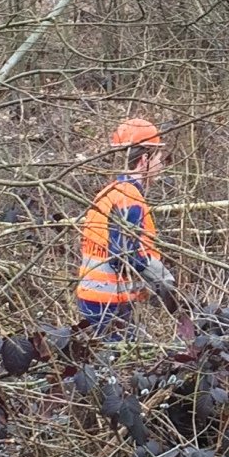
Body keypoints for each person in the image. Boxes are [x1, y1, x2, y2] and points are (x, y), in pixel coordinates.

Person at [76, 118, 176, 338]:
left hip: (95, 300)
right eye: (159, 158)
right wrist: (164, 281)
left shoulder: (110, 193)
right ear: (144, 160)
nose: (161, 166)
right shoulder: (129, 199)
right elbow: (123, 255)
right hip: (111, 305)